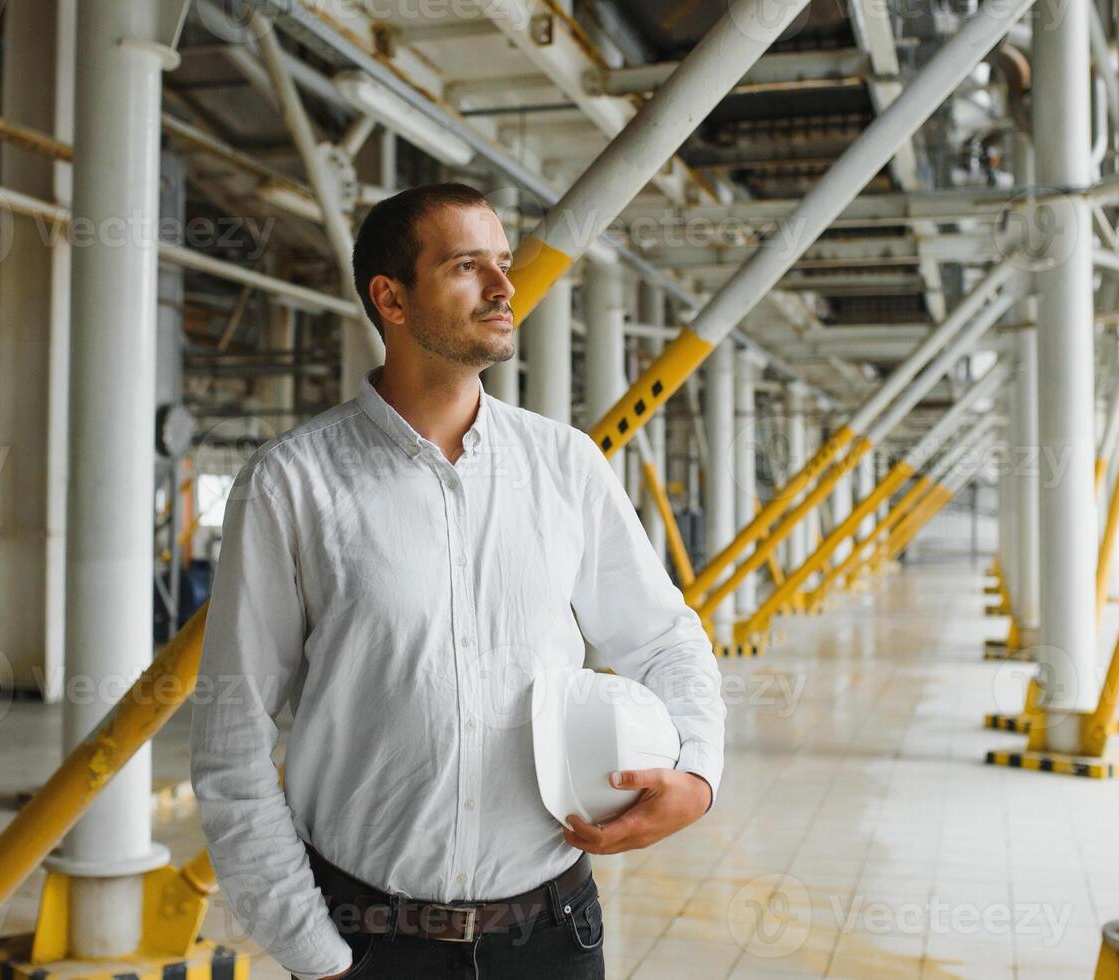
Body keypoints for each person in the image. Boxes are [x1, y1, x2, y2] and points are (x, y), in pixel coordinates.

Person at [190, 182, 725, 979]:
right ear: (391, 299)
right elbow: (231, 742)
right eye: (468, 265)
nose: (505, 288)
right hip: (370, 943)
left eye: (503, 264)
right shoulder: (290, 484)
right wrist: (316, 957)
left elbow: (664, 637)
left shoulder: (564, 465)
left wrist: (699, 774)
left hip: (553, 934)